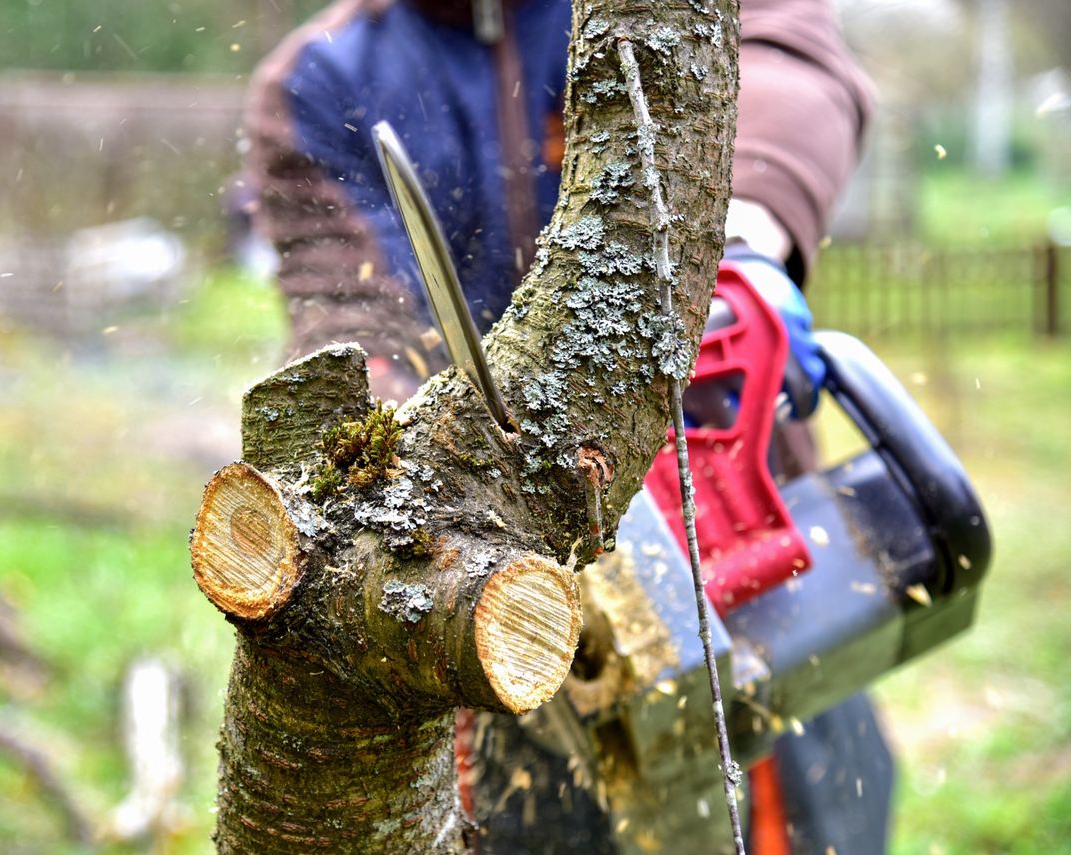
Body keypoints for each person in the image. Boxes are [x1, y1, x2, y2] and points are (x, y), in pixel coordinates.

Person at [244, 1, 891, 852]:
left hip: (734, 557)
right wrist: (400, 448)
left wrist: (738, 244)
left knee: (795, 813)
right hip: (507, 611)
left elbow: (783, 55)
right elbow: (350, 315)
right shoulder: (320, 78)